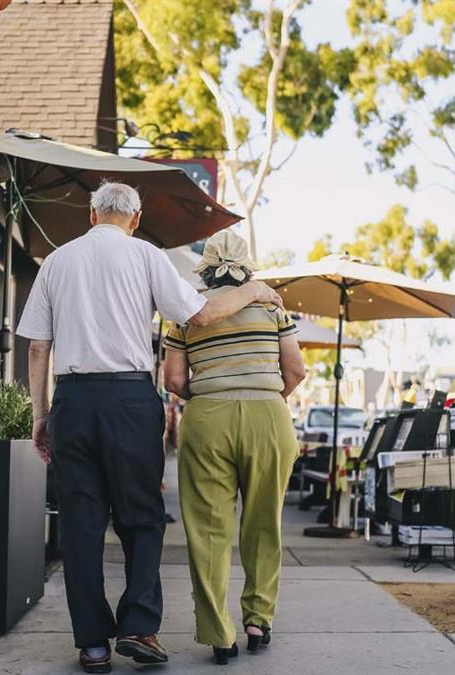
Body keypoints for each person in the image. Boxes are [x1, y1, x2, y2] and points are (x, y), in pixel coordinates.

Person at [17, 181, 284, 674]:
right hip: (129, 400)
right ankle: (139, 627)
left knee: (80, 526)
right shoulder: (147, 257)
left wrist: (41, 414)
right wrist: (251, 290)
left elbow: (37, 346)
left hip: (73, 400)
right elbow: (201, 316)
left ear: (92, 214)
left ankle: (94, 644)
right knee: (141, 518)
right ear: (135, 219)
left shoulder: (56, 261)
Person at [162, 230, 306, 665]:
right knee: (264, 523)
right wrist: (262, 397)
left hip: (207, 418)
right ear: (247, 266)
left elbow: (172, 380)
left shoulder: (188, 313)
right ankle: (258, 618)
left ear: (205, 266)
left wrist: (211, 396)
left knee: (207, 530)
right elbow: (296, 370)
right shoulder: (271, 308)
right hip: (269, 416)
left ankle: (219, 634)